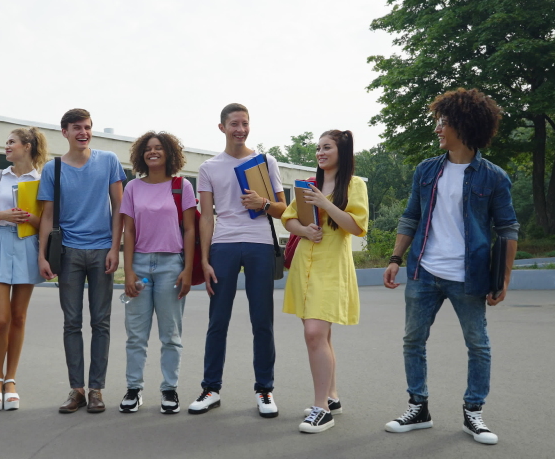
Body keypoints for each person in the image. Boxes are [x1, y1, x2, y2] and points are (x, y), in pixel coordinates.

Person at [382, 88, 519, 445]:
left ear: (463, 125)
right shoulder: (427, 170)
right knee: (413, 339)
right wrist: (396, 259)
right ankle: (418, 407)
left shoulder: (493, 177)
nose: (438, 129)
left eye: (443, 123)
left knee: (478, 344)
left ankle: (473, 412)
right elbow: (411, 216)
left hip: (468, 276)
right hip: (424, 271)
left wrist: (503, 277)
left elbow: (507, 228)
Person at [188, 103, 286, 418]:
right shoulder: (209, 167)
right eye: (234, 124)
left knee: (262, 322)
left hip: (258, 244)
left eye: (244, 123)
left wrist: (264, 202)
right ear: (222, 128)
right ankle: (211, 389)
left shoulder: (265, 161)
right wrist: (203, 259)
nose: (240, 129)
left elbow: (284, 208)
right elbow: (205, 218)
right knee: (218, 321)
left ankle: (265, 390)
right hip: (224, 246)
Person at [38, 108, 126, 414]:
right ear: (65, 132)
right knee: (72, 322)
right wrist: (42, 256)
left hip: (103, 250)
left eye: (87, 127)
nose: (83, 132)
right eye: (77, 128)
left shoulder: (109, 161)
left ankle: (96, 389)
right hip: (68, 253)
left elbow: (119, 209)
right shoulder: (54, 168)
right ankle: (76, 389)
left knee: (101, 322)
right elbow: (47, 215)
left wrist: (116, 248)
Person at [281, 130, 368, 433]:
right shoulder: (308, 185)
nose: (320, 152)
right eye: (318, 148)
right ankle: (331, 398)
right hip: (305, 265)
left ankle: (321, 410)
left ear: (342, 152)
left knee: (315, 333)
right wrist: (304, 230)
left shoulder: (354, 185)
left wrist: (325, 203)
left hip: (332, 267)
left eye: (326, 147)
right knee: (321, 335)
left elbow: (357, 226)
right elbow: (288, 218)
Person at [118, 131, 196, 414]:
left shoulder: (181, 186)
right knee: (136, 335)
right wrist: (127, 271)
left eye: (159, 148)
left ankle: (169, 390)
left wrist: (187, 268)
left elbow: (190, 229)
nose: (153, 152)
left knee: (171, 334)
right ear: (141, 154)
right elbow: (129, 230)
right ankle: (134, 389)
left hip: (171, 265)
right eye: (148, 149)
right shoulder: (133, 188)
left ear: (169, 154)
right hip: (139, 265)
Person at [0, 127, 49, 411]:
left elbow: (45, 221)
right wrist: (4, 215)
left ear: (27, 146)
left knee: (18, 317)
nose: (7, 147)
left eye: (11, 143)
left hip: (26, 245)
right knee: (2, 319)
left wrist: (29, 217)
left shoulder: (42, 179)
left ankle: (11, 381)